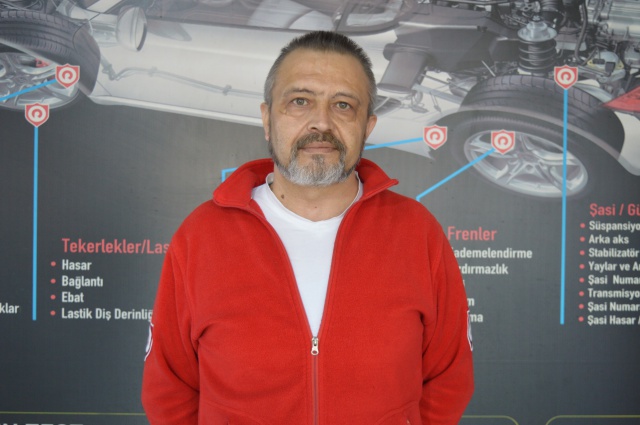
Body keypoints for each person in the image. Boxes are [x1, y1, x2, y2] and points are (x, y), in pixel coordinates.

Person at [142, 30, 473, 424]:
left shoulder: (417, 232)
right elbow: (170, 388)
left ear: (367, 126)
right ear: (267, 119)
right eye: (300, 101)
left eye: (343, 105)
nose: (321, 122)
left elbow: (448, 379)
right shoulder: (202, 235)